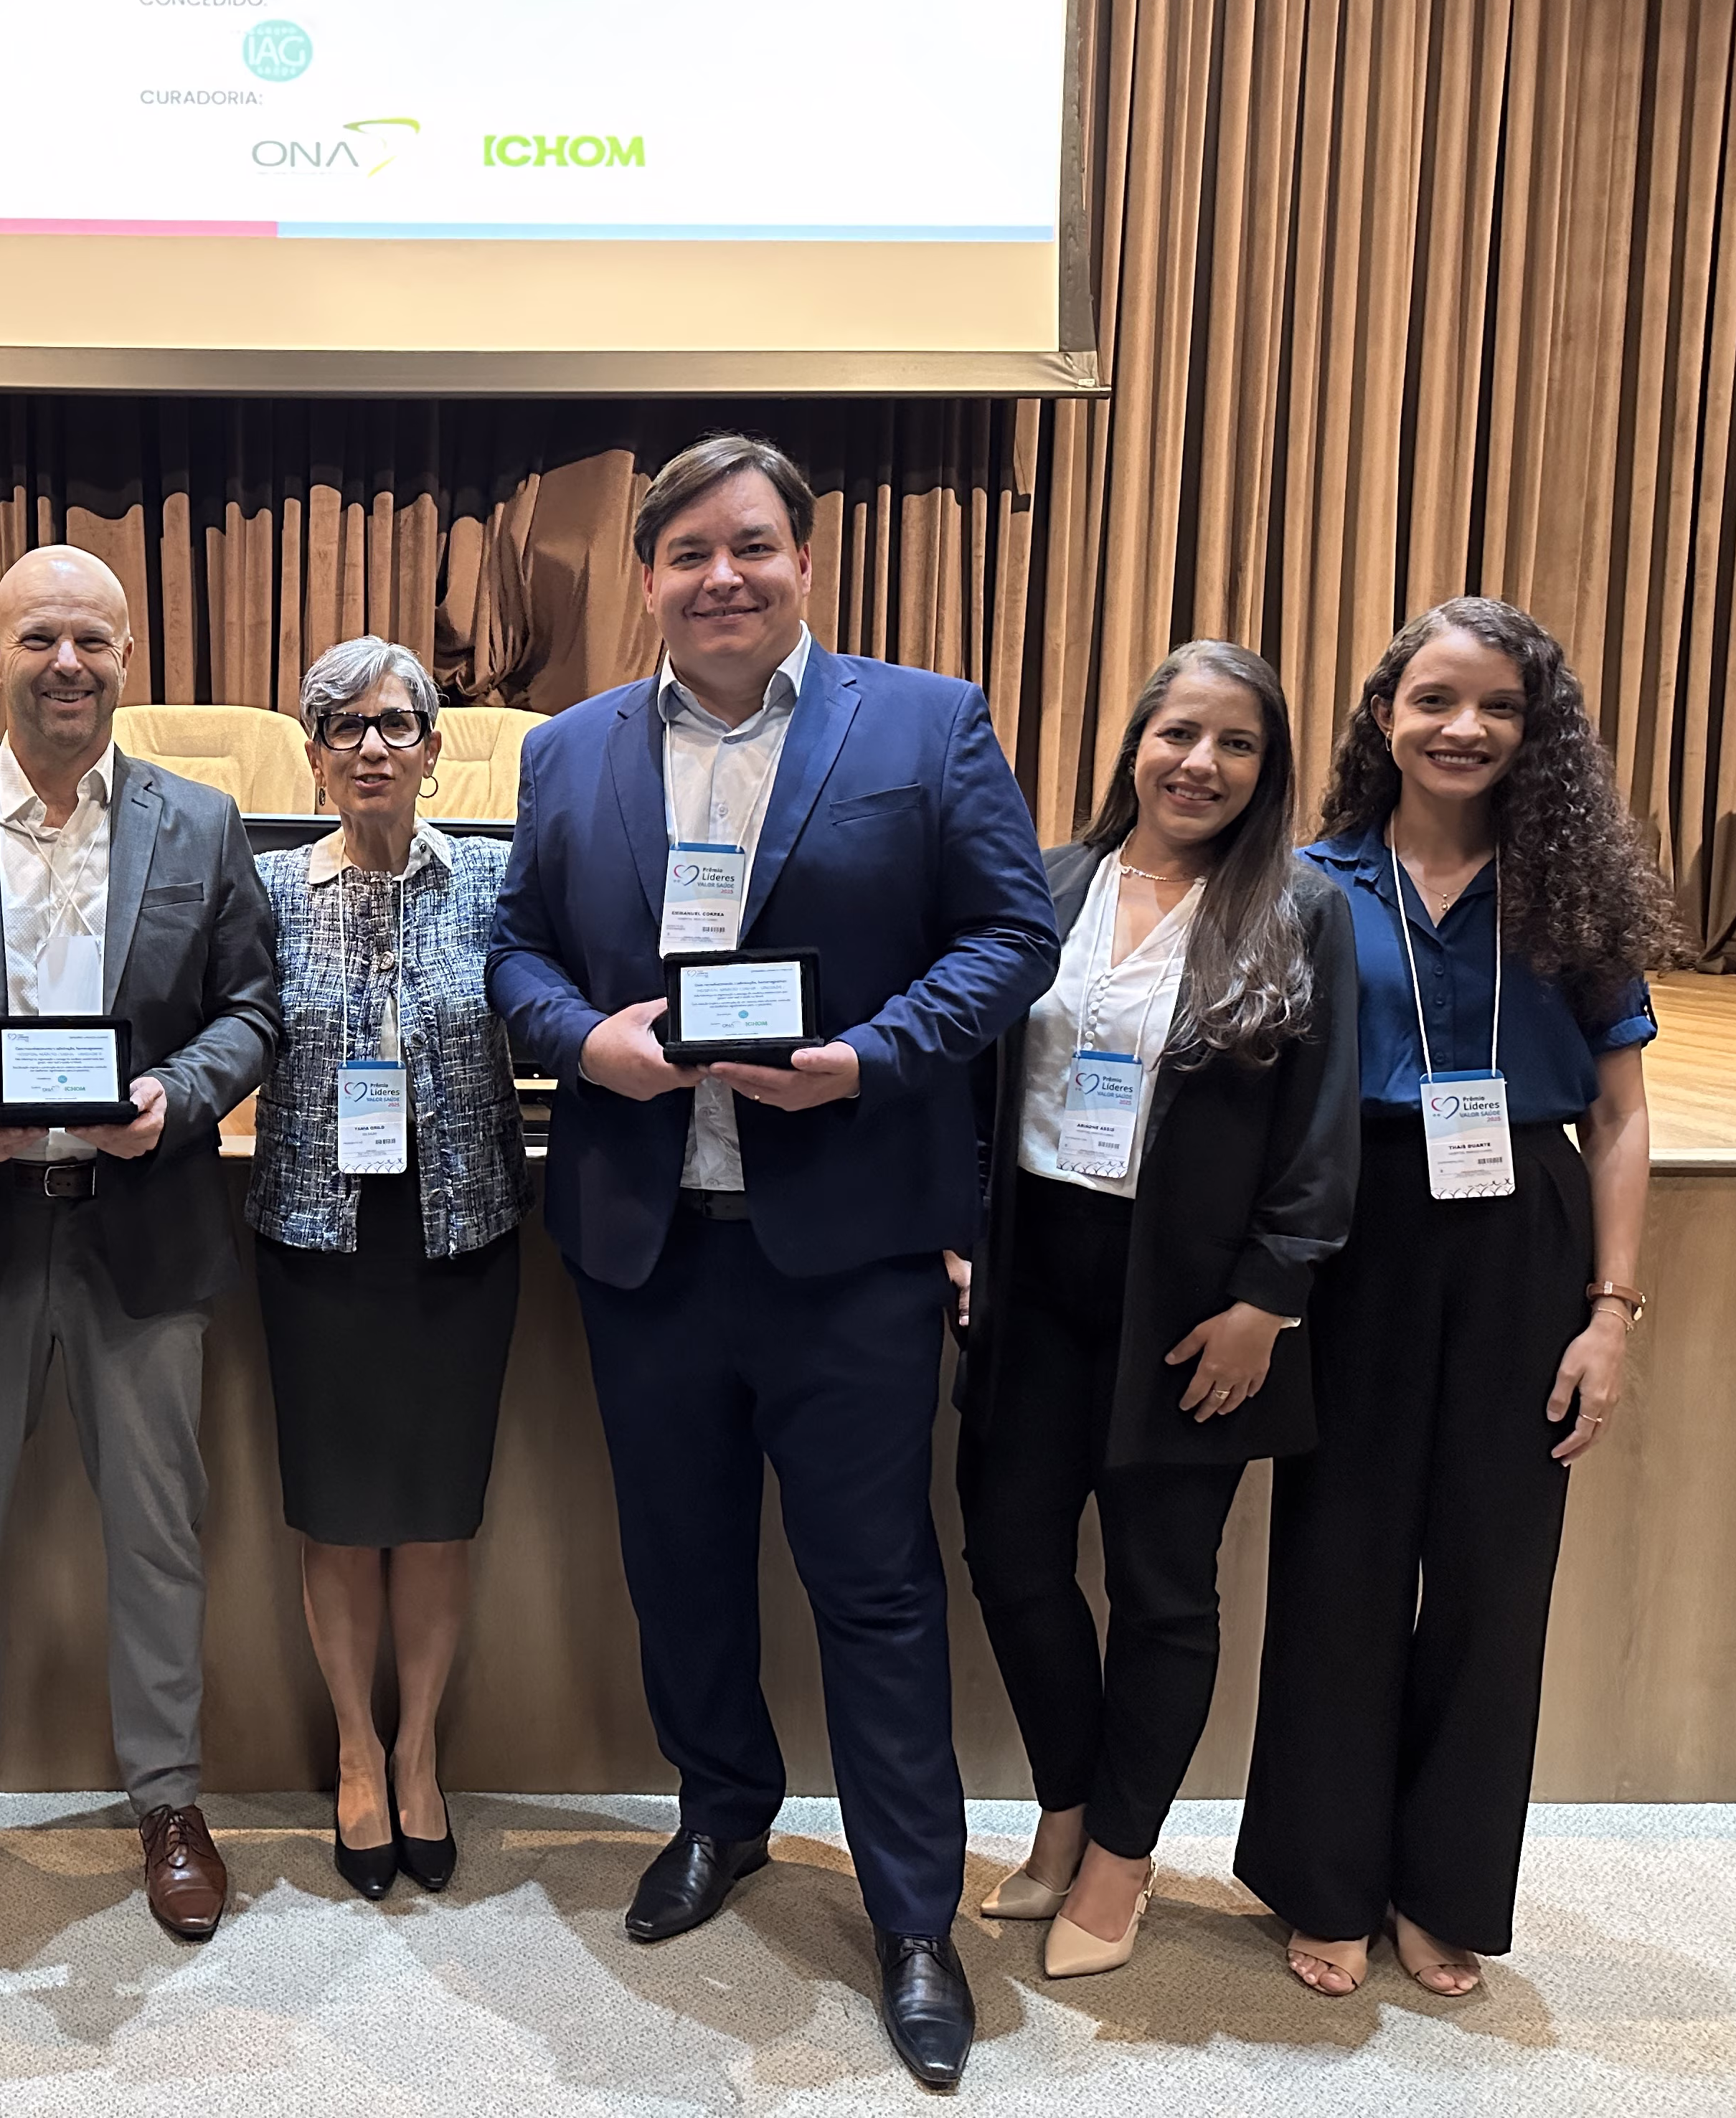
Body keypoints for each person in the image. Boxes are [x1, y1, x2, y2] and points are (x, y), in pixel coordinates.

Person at [489, 432, 1058, 2090]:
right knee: (678, 1563)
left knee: (876, 1590)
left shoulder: (927, 723)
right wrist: (583, 1043)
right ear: (648, 577)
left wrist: (873, 1058)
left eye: (750, 546)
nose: (719, 577)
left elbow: (1011, 937)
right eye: (685, 554)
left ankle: (911, 1918)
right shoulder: (572, 750)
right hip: (645, 1235)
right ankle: (720, 1813)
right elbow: (516, 944)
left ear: (804, 559)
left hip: (851, 1243)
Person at [0, 543, 279, 1946]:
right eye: (41, 640)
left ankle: (168, 1800)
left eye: (93, 640)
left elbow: (254, 1008)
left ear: (128, 657)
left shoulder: (203, 826)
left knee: (160, 1538)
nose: (67, 664)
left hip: (140, 1228)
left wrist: (181, 1097)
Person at [1237, 597, 1670, 2000]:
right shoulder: (1309, 885)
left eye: (1496, 705)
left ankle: (1444, 1885)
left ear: (1533, 731)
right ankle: (1324, 1878)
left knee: (1494, 1574)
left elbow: (1619, 1117)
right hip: (1353, 1228)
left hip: (1523, 1244)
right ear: (1383, 717)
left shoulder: (1578, 895)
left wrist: (1611, 1312)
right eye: (1435, 699)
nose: (1464, 727)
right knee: (1341, 1556)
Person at [953, 642, 1359, 1980]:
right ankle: (1067, 1806)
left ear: (1267, 766)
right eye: (1179, 732)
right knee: (1010, 1555)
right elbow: (978, 1076)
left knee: (1161, 1588)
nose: (1201, 762)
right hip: (1032, 1270)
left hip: (1189, 1293)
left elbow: (1319, 1127)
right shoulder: (1051, 883)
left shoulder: (1298, 910)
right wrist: (958, 1243)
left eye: (1236, 742)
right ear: (1133, 741)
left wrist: (1268, 1295)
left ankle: (1120, 1859)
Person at [246, 637, 527, 1901]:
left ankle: (420, 1750)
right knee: (339, 1508)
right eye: (342, 724)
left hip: (461, 1230)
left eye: (396, 722)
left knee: (434, 1509)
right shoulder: (259, 889)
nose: (371, 743)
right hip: (314, 1232)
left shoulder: (499, 882)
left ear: (433, 746)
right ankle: (354, 1750)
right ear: (309, 752)